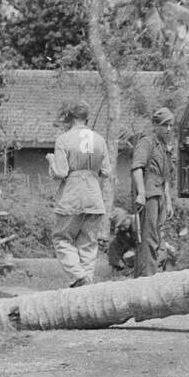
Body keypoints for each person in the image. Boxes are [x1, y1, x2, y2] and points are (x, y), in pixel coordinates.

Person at [47, 102, 112, 288]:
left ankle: (78, 276)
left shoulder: (64, 139)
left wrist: (51, 160)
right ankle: (87, 283)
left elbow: (60, 172)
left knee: (61, 238)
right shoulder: (99, 139)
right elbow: (106, 171)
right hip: (94, 196)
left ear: (70, 118)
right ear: (87, 118)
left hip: (71, 196)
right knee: (89, 244)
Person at [132, 107, 175, 278]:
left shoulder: (164, 148)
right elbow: (137, 167)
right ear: (156, 126)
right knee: (148, 238)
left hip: (160, 195)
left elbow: (166, 178)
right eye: (165, 125)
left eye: (171, 125)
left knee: (157, 238)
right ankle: (147, 277)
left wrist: (169, 201)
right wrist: (141, 194)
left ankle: (148, 275)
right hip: (149, 194)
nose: (169, 129)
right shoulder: (147, 142)